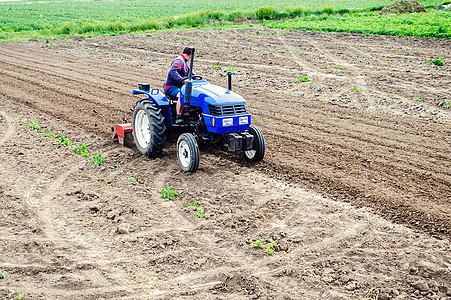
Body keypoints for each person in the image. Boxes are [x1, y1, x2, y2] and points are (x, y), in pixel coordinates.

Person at [164, 47, 193, 121]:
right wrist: (181, 80)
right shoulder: (179, 60)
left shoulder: (185, 64)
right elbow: (172, 72)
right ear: (190, 56)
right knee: (182, 95)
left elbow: (191, 74)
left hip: (179, 88)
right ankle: (178, 115)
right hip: (171, 88)